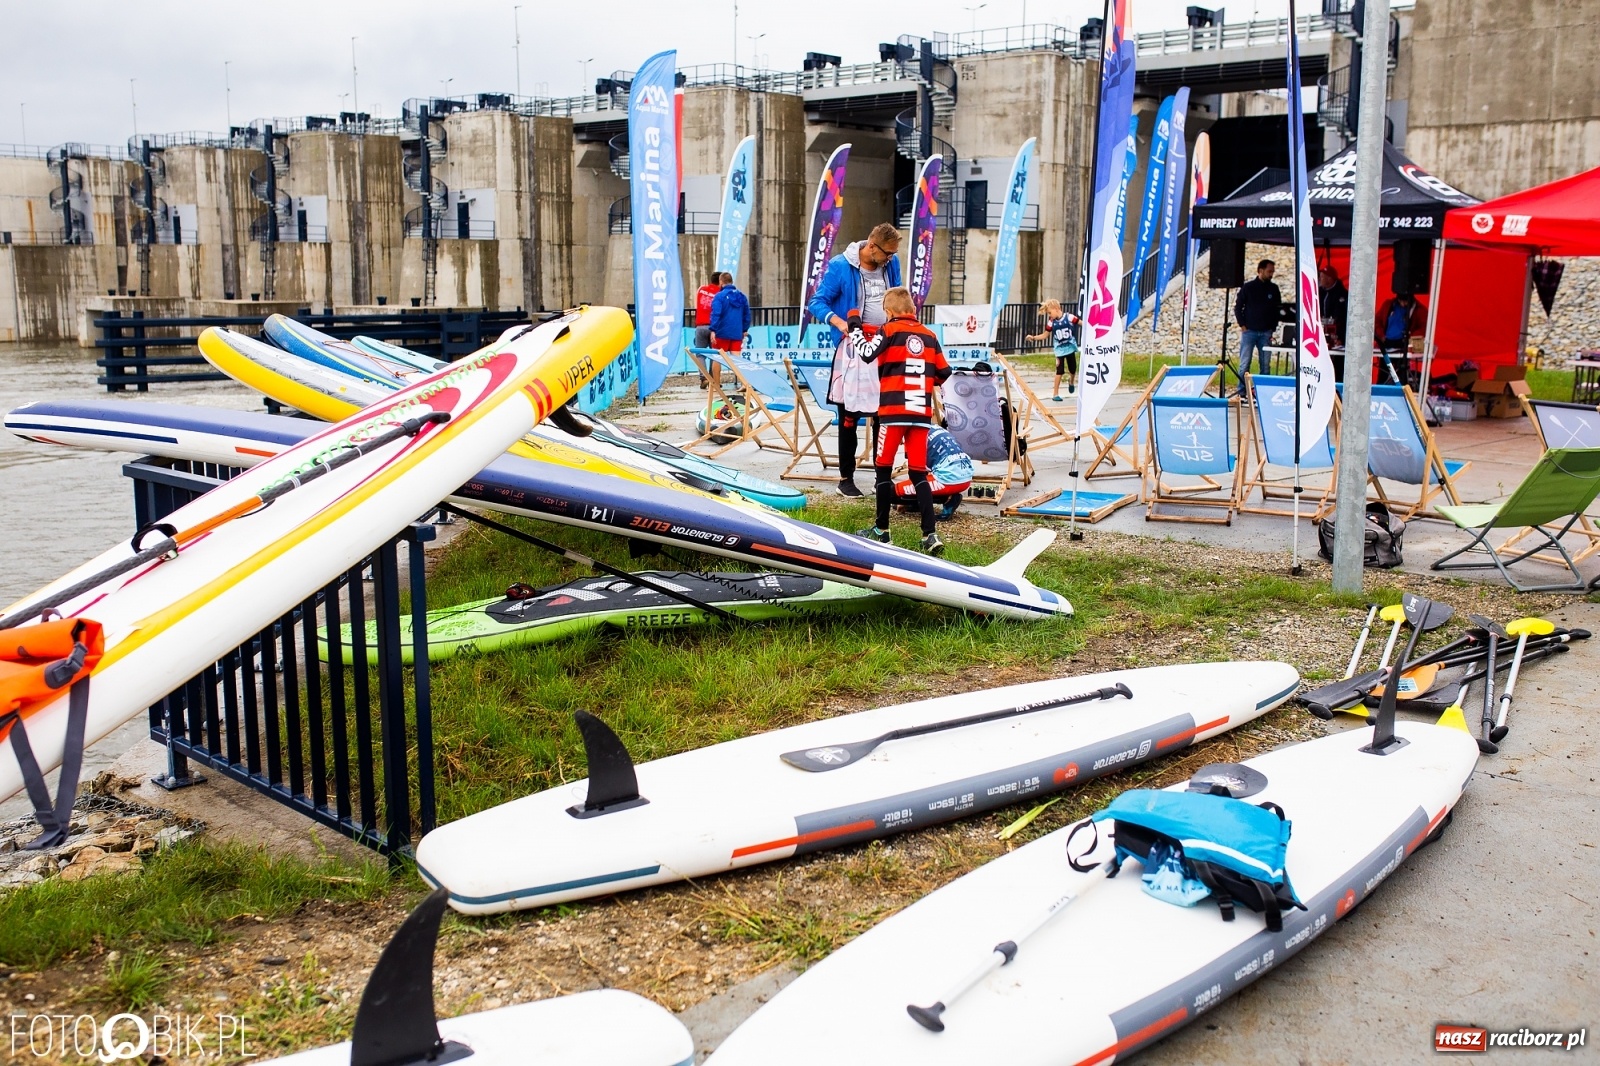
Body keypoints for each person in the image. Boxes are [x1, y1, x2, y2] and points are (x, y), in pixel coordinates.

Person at [850, 287, 953, 555]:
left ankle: (881, 531)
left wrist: (854, 324)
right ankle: (930, 535)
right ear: (913, 309)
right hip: (920, 415)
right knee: (919, 473)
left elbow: (866, 352)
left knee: (883, 469)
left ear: (889, 311)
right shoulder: (930, 336)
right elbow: (944, 372)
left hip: (893, 413)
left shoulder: (889, 330)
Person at [809, 222, 904, 497]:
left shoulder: (890, 263)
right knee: (849, 415)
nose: (890, 258)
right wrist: (839, 322)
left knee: (883, 415)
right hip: (853, 348)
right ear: (871, 246)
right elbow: (817, 302)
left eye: (893, 254)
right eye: (887, 253)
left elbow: (897, 297)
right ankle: (846, 478)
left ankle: (881, 478)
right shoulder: (841, 266)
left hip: (885, 344)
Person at [1234, 259, 1281, 387]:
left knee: (1265, 363)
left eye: (1272, 272)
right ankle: (1242, 390)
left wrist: (1273, 328)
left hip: (1266, 332)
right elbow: (1238, 307)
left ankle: (1263, 390)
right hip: (1249, 331)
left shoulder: (1274, 289)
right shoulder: (1248, 287)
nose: (1271, 274)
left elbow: (1278, 310)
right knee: (1245, 362)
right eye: (1269, 271)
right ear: (1260, 271)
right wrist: (1242, 325)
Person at [1025, 299, 1080, 401]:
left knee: (1073, 369)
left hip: (1070, 348)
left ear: (1056, 308)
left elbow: (1081, 323)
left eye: (1050, 313)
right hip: (1059, 350)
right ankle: (1055, 393)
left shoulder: (1069, 317)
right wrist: (1033, 337)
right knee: (1059, 371)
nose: (1050, 315)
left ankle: (1071, 381)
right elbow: (1045, 335)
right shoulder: (1051, 322)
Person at [1376, 290, 1425, 385]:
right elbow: (1377, 321)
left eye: (1405, 302)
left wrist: (1411, 338)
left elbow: (1423, 327)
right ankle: (1380, 390)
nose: (1403, 304)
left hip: (1404, 345)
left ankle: (1401, 392)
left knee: (1401, 374)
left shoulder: (1419, 309)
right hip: (1387, 344)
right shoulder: (1388, 305)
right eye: (1401, 301)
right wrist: (1381, 335)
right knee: (1383, 373)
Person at [708, 272, 751, 354]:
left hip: (721, 333)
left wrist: (713, 330)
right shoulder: (742, 296)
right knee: (735, 362)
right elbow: (747, 315)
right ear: (732, 281)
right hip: (737, 333)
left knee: (718, 359)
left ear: (721, 282)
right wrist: (744, 329)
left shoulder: (719, 296)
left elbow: (716, 314)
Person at [1318, 266, 1349, 349]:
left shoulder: (1343, 294)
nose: (1320, 279)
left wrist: (1342, 338)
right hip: (1320, 334)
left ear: (1329, 279)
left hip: (1338, 338)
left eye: (1322, 277)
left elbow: (1344, 319)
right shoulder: (1319, 292)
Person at [693, 271, 722, 349]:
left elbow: (696, 305)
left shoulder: (701, 289)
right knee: (715, 355)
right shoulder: (721, 293)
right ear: (720, 281)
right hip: (714, 327)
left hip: (700, 326)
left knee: (699, 353)